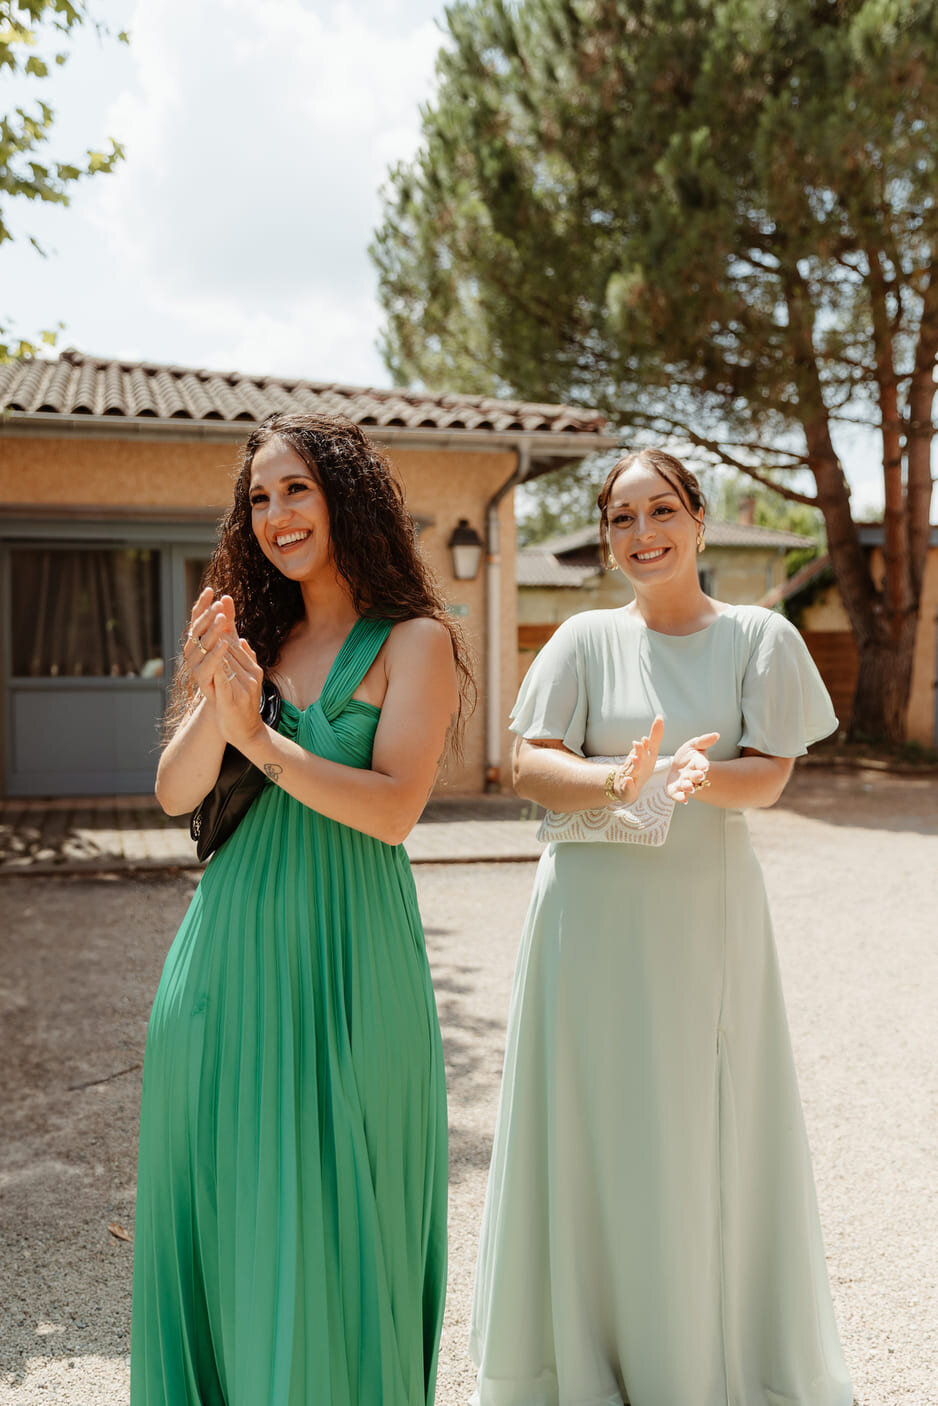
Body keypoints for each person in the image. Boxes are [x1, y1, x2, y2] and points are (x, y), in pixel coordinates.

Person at [469, 449, 853, 1406]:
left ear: (698, 518)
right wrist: (618, 779)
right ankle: (581, 1362)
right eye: (622, 519)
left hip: (701, 928)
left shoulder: (760, 637)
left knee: (695, 1131)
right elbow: (526, 765)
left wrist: (696, 778)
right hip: (585, 923)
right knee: (590, 1127)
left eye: (661, 511)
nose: (643, 534)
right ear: (607, 539)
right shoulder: (581, 638)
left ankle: (701, 1362)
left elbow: (767, 773)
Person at [131, 412, 473, 1406]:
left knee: (337, 1208)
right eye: (259, 497)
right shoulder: (254, 635)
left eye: (297, 489)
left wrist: (267, 742)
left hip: (351, 956)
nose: (276, 513)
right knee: (231, 1203)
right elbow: (175, 790)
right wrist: (212, 691)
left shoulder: (416, 641)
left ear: (344, 497)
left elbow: (394, 807)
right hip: (226, 953)